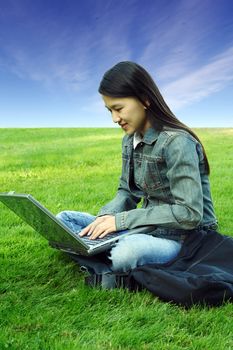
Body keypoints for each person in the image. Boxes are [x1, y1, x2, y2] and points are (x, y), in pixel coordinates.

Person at [56, 61, 217, 275]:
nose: (114, 119)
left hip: (186, 240)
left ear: (145, 99)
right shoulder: (129, 140)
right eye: (109, 111)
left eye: (118, 109)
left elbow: (189, 213)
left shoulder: (177, 143)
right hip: (147, 229)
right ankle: (103, 250)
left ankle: (104, 258)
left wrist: (121, 221)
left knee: (126, 253)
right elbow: (127, 191)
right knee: (64, 221)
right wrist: (107, 218)